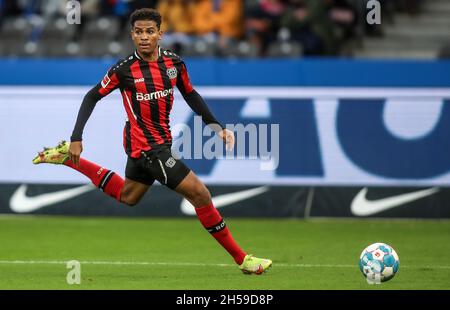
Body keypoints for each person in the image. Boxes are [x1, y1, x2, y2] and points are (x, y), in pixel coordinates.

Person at [32, 8, 272, 275]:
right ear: (132, 35)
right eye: (138, 32)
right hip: (149, 148)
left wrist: (217, 128)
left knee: (128, 196)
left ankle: (67, 159)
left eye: (149, 31)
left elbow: (191, 95)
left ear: (160, 33)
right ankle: (243, 260)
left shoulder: (174, 64)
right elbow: (91, 96)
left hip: (152, 144)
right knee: (200, 194)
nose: (144, 37)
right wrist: (77, 137)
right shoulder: (123, 70)